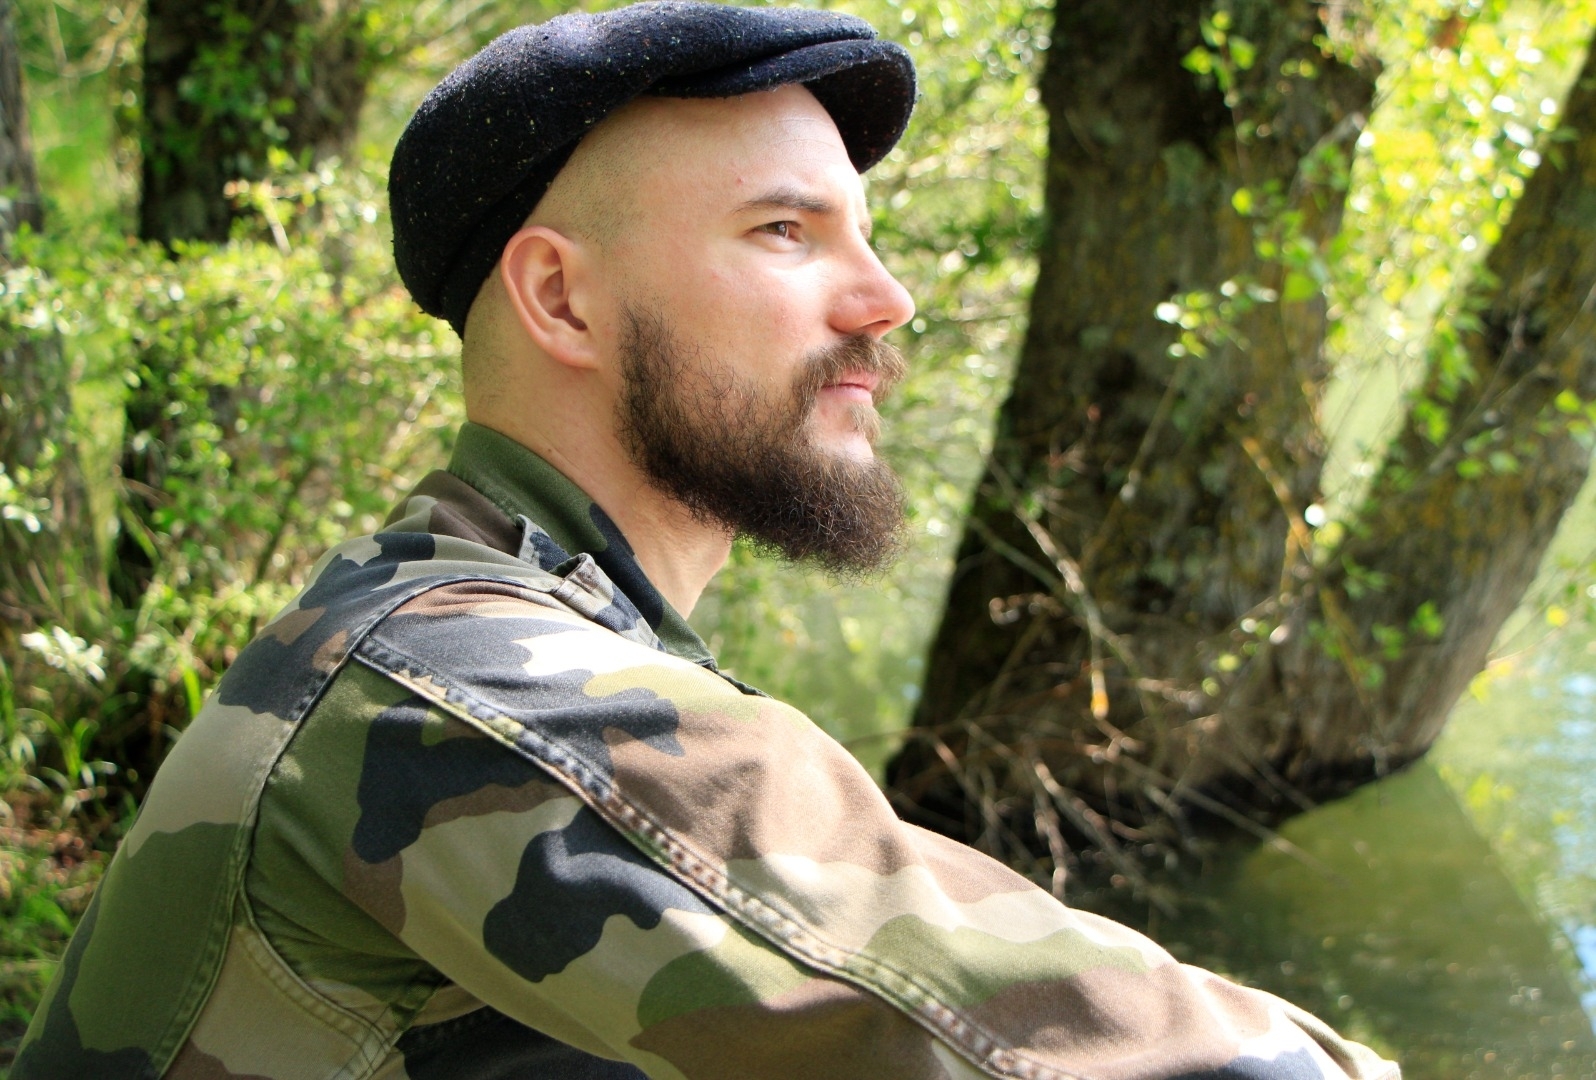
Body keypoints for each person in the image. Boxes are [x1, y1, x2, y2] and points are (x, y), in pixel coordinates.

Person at [14, 4, 1401, 1078]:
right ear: (562, 300)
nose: (887, 299)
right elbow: (1029, 1035)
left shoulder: (515, 620)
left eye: (869, 235)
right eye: (787, 230)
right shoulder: (459, 685)